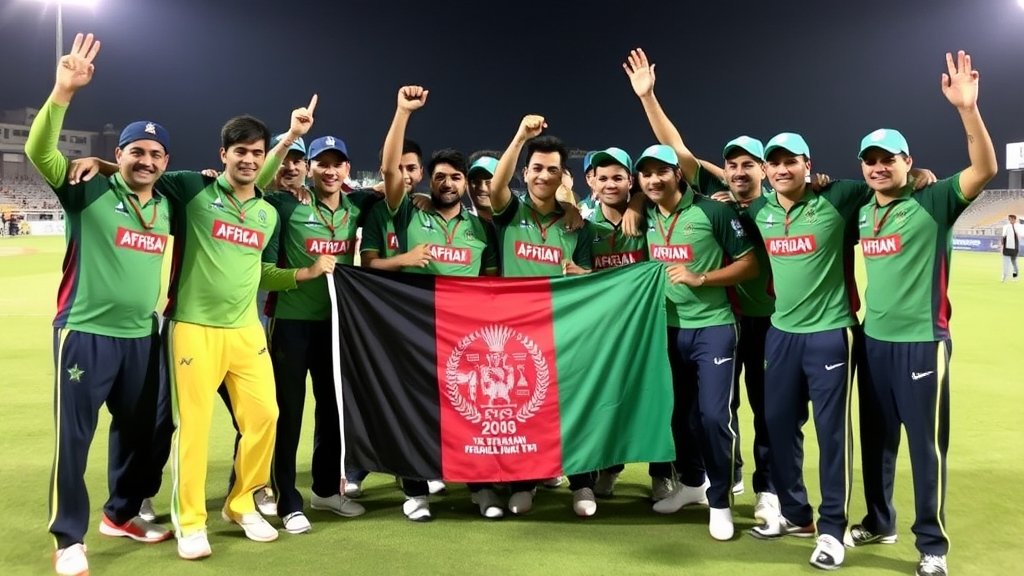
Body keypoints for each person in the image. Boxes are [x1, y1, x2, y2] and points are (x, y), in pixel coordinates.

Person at [25, 33, 172, 576]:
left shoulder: (169, 205)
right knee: (75, 438)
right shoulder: (87, 187)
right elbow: (40, 152)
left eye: (156, 154)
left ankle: (122, 513)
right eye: (136, 151)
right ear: (119, 155)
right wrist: (63, 91)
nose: (146, 160)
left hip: (142, 336)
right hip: (84, 331)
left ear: (165, 162)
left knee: (146, 432)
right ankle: (69, 538)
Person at [852, 51, 997, 576]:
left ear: (907, 162)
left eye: (888, 158)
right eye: (870, 159)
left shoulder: (933, 201)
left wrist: (967, 109)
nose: (878, 166)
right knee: (877, 439)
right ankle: (879, 518)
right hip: (872, 341)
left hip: (923, 341)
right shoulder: (862, 211)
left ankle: (931, 545)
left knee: (924, 447)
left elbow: (984, 169)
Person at [624, 50, 759, 542]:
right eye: (646, 175)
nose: (655, 178)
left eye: (663, 171)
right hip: (667, 328)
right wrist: (637, 204)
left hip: (714, 329)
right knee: (677, 414)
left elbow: (750, 263)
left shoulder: (713, 210)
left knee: (710, 414)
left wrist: (648, 97)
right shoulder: (648, 215)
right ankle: (694, 484)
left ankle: (721, 500)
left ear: (680, 174)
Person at [376, 86, 500, 521]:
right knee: (414, 408)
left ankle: (481, 489)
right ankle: (416, 493)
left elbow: (490, 283)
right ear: (429, 180)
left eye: (455, 177)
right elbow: (392, 168)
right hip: (415, 326)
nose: (447, 184)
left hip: (466, 331)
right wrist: (402, 112)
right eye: (440, 177)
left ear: (466, 183)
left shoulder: (482, 228)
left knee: (473, 409)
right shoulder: (411, 212)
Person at [260, 133, 378, 534]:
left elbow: (395, 188)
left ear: (347, 169)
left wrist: (424, 198)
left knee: (333, 412)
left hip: (336, 326)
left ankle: (326, 490)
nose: (328, 171)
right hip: (291, 324)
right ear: (310, 168)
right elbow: (264, 273)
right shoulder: (282, 204)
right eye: (320, 163)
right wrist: (307, 273)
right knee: (288, 414)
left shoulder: (356, 206)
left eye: (336, 163)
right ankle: (286, 499)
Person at [489, 114, 594, 515]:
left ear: (562, 175)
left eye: (552, 170)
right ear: (526, 172)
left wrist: (581, 273)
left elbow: (589, 276)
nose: (543, 176)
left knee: (575, 406)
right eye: (536, 168)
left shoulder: (576, 226)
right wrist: (519, 137)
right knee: (522, 409)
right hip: (518, 332)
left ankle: (581, 484)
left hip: (566, 331)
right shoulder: (511, 213)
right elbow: (497, 186)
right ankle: (524, 483)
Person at [1002, 214, 1019, 281]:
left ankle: (1015, 276)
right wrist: (1002, 245)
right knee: (1006, 263)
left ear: (1015, 219)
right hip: (1007, 248)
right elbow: (1003, 237)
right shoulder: (1006, 227)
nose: (1010, 220)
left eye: (1011, 219)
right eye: (1009, 219)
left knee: (1014, 262)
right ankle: (1004, 277)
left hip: (1015, 248)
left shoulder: (1018, 227)